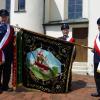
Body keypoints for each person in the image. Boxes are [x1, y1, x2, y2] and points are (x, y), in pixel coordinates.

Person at [0, 9, 14, 93]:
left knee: (7, 71)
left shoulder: (11, 29)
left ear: (7, 18)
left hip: (8, 53)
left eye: (5, 17)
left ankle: (5, 86)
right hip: (0, 53)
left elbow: (13, 40)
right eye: (2, 17)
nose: (3, 18)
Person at [59, 23, 76, 92]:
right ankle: (62, 85)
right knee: (61, 72)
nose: (65, 31)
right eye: (63, 30)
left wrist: (72, 60)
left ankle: (68, 86)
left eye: (66, 30)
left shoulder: (72, 39)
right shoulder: (59, 39)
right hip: (61, 60)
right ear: (62, 31)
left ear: (68, 31)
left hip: (69, 60)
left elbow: (74, 51)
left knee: (68, 73)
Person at [91, 18, 100, 97]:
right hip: (96, 59)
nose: (99, 26)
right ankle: (99, 91)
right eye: (99, 25)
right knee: (97, 76)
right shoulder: (98, 35)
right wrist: (94, 49)